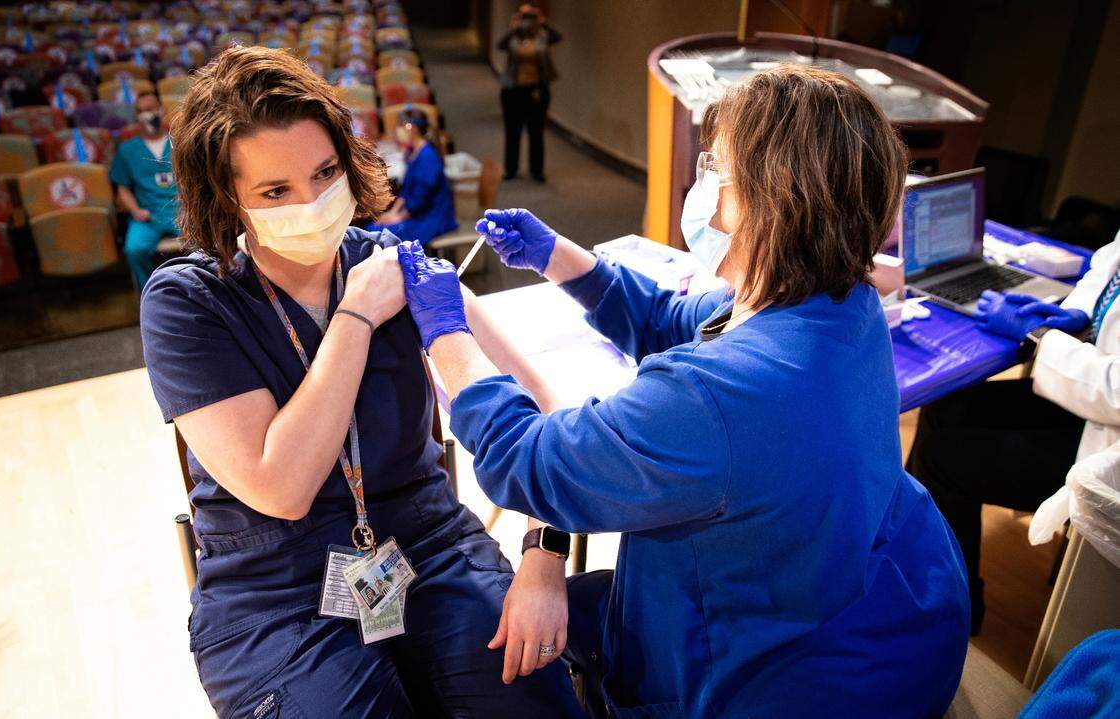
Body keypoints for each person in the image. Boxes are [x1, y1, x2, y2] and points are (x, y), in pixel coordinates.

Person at [397, 66, 969, 718]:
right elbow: (682, 322)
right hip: (858, 596)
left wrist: (446, 329)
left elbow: (528, 462)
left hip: (759, 671)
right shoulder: (842, 301)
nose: (705, 186)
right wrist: (557, 256)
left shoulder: (719, 397)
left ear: (767, 200)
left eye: (716, 168)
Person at [139, 46, 583, 719]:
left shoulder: (397, 263)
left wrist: (545, 557)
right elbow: (282, 486)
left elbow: (546, 408)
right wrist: (356, 315)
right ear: (228, 197)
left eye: (324, 173)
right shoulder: (188, 303)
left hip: (426, 550)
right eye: (275, 192)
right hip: (275, 590)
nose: (313, 203)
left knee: (534, 695)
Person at [906, 231, 1119, 635]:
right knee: (947, 404)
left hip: (1108, 451)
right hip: (1089, 403)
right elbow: (1107, 267)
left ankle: (953, 613)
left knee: (943, 458)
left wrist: (1041, 337)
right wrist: (1079, 312)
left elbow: (1116, 391)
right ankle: (914, 566)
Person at [109, 91, 179, 289]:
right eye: (140, 111)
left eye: (150, 109)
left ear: (161, 110)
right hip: (149, 215)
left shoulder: (180, 142)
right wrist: (135, 211)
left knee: (205, 243)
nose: (146, 115)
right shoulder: (128, 150)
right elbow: (122, 188)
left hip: (181, 210)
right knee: (134, 249)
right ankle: (152, 297)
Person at [366, 106, 456, 246]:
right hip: (418, 214)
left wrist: (398, 217)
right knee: (373, 230)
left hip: (432, 217)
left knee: (376, 236)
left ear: (411, 128)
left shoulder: (427, 156)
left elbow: (421, 198)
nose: (397, 131)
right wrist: (393, 213)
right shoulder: (412, 152)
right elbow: (406, 191)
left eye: (400, 126)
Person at [496, 4, 560, 182]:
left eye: (530, 16)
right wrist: (512, 28)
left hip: (536, 90)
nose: (527, 21)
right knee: (512, 130)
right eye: (524, 16)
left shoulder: (542, 35)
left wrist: (543, 22)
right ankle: (511, 168)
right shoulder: (513, 36)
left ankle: (536, 170)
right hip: (512, 90)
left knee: (536, 131)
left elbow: (558, 37)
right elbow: (499, 45)